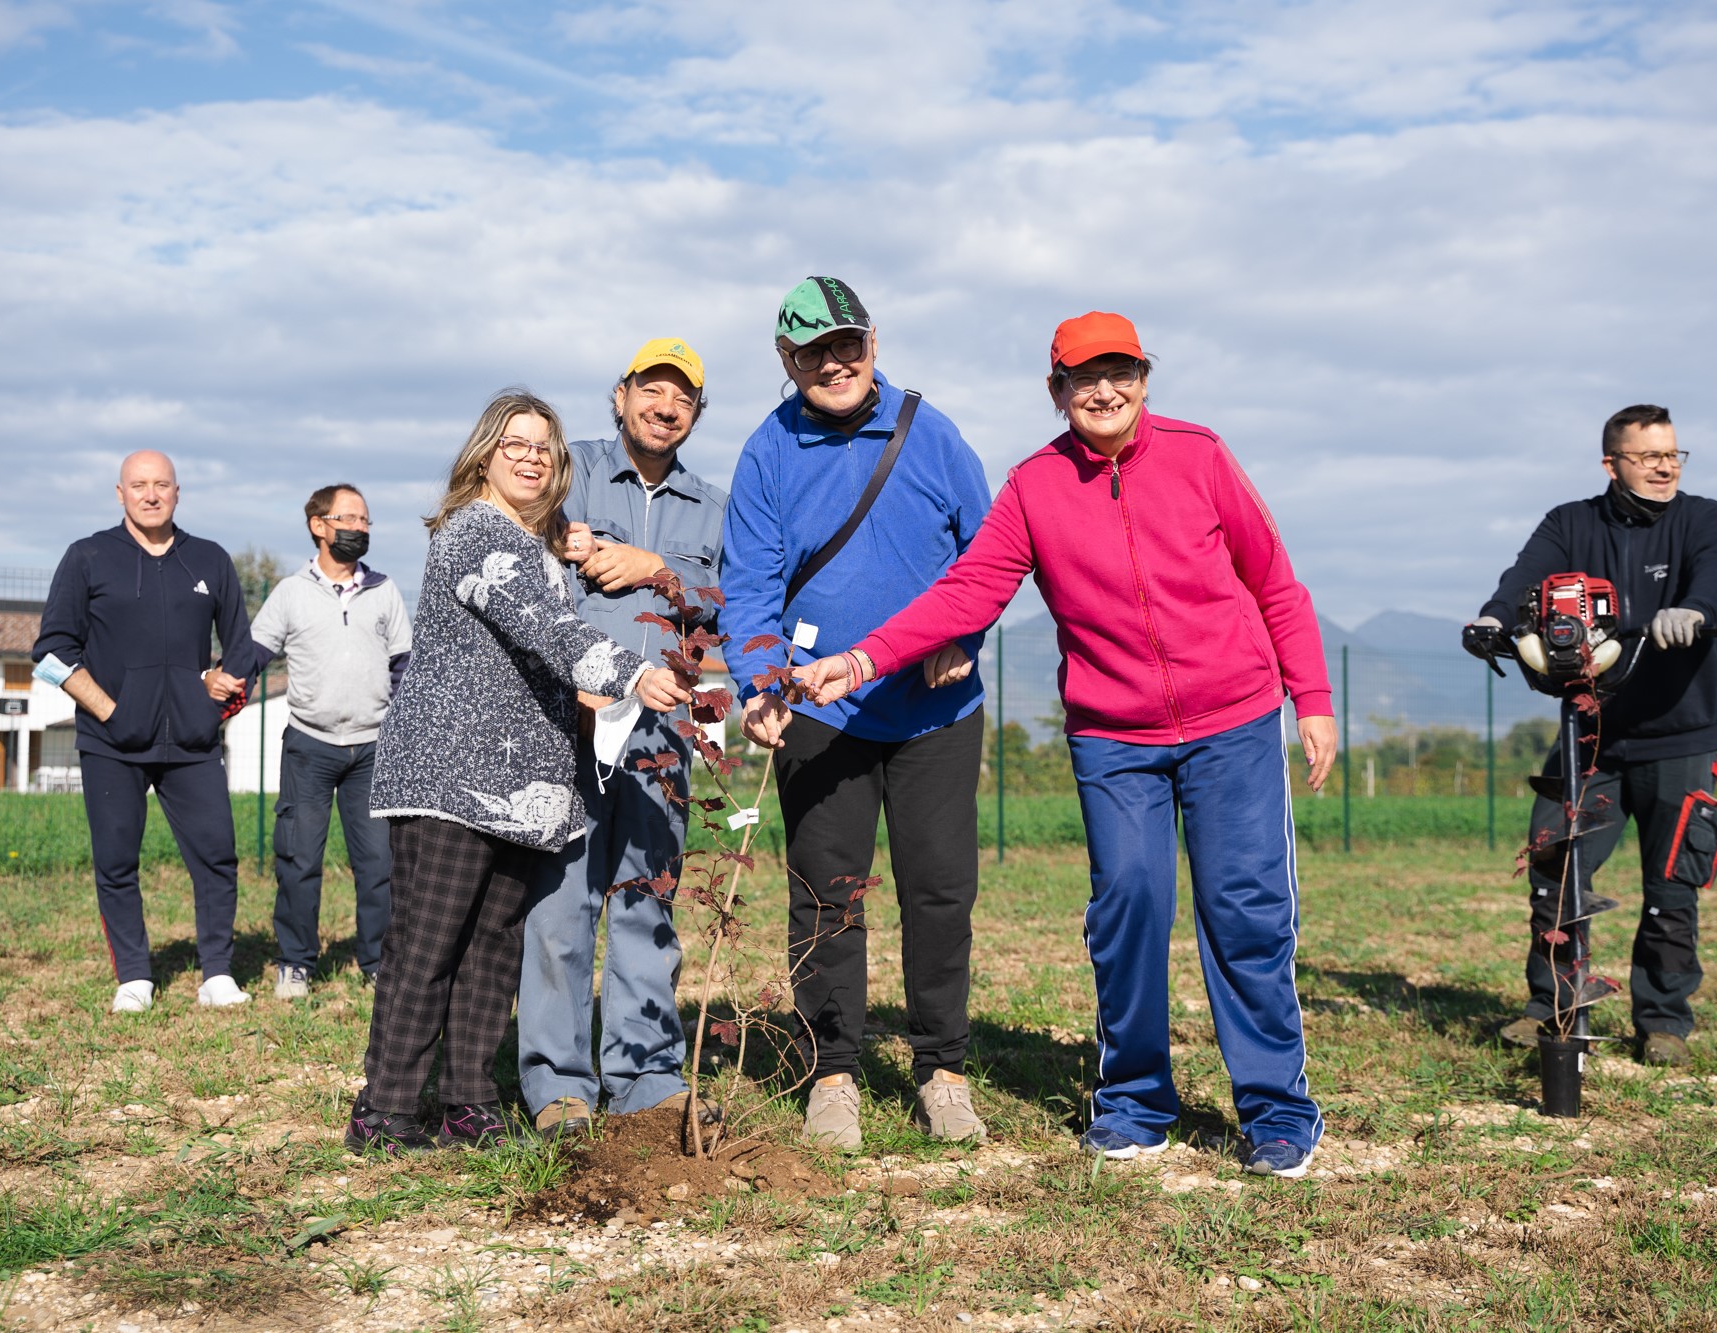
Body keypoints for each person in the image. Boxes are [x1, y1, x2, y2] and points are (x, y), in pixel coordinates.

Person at [799, 312, 1339, 1178]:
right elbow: (968, 591)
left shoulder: (1200, 455)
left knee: (1242, 911)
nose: (1103, 390)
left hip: (1233, 723)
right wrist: (865, 657)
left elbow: (1273, 579)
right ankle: (1133, 1102)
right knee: (1126, 908)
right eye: (1083, 377)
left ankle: (1277, 1108)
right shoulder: (1033, 487)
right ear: (1057, 392)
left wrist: (1310, 697)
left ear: (1144, 377)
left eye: (1119, 371)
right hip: (1114, 736)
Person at [347, 390, 691, 1154]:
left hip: (517, 791)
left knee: (490, 950)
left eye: (545, 446)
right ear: (484, 455)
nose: (532, 455)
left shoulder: (536, 548)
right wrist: (634, 672)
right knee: (429, 947)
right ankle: (387, 1110)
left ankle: (469, 1101)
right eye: (516, 442)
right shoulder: (475, 532)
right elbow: (549, 630)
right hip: (448, 777)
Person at [719, 277, 993, 1149]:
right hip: (817, 713)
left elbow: (985, 553)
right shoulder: (767, 452)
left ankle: (941, 1068)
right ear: (786, 360)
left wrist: (970, 635)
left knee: (940, 890)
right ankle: (833, 1073)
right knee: (825, 895)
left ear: (873, 343)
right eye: (813, 351)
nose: (835, 363)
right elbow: (751, 583)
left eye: (849, 345)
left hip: (933, 708)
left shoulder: (930, 432)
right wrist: (761, 682)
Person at [1470, 404, 1717, 1066]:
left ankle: (1663, 1021)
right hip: (1589, 730)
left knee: (1671, 885)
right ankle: (1554, 1003)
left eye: (1674, 454)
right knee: (1555, 867)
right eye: (1649, 455)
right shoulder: (1571, 524)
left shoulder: (1706, 521)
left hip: (1681, 734)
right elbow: (1524, 578)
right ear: (1612, 463)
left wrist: (1697, 611)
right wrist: (1491, 617)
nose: (1664, 466)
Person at [516, 339, 729, 1139]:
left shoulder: (713, 506)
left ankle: (644, 1074)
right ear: (621, 394)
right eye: (651, 389)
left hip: (661, 735)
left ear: (695, 414)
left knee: (647, 903)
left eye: (682, 397)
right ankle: (559, 1083)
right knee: (560, 904)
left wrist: (660, 568)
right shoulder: (565, 476)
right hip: (564, 726)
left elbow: (735, 603)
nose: (664, 406)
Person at [32, 449, 257, 1013]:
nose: (151, 494)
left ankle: (217, 974)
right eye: (139, 485)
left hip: (192, 743)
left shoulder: (208, 559)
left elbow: (243, 647)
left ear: (178, 492)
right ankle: (134, 977)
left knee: (217, 857)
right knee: (116, 862)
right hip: (111, 743)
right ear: (120, 493)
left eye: (162, 484)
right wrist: (111, 710)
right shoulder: (87, 556)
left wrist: (212, 699)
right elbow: (52, 653)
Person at [249, 483, 412, 998]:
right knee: (298, 859)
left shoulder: (383, 589)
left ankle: (377, 961)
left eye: (365, 521)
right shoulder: (290, 592)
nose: (359, 529)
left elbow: (404, 666)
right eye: (349, 519)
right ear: (319, 525)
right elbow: (252, 654)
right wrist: (215, 693)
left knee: (379, 864)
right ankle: (295, 962)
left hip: (372, 749)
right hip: (309, 746)